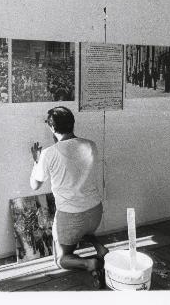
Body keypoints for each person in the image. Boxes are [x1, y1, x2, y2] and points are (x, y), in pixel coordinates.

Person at [29, 106, 109, 288]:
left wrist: (37, 161)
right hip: (95, 213)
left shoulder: (49, 153)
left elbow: (35, 185)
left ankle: (91, 263)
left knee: (62, 260)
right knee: (85, 229)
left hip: (72, 218)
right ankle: (100, 248)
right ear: (72, 123)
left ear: (52, 128)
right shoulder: (91, 144)